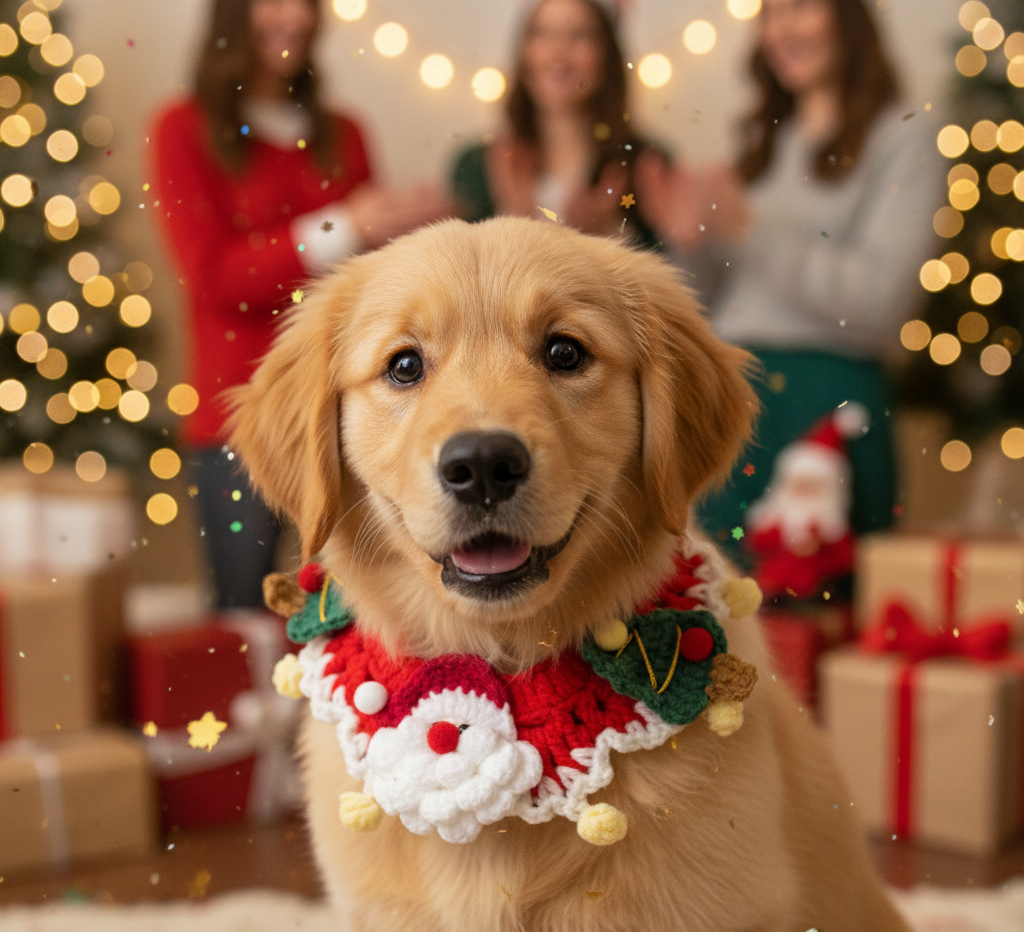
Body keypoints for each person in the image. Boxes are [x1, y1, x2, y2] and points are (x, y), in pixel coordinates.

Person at [150, 0, 447, 610]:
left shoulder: (345, 134)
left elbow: (372, 289)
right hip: (236, 420)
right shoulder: (183, 129)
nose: (298, 15)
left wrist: (412, 229)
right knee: (245, 610)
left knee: (362, 603)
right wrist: (345, 224)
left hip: (348, 413)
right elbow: (214, 275)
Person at [637, 0, 943, 564]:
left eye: (800, 7)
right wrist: (686, 241)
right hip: (734, 396)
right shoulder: (757, 144)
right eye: (771, 13)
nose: (782, 28)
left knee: (819, 615)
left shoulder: (904, 137)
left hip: (829, 405)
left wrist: (749, 229)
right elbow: (712, 302)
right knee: (720, 602)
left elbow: (880, 304)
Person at [451, 0, 666, 249]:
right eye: (541, 33)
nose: (557, 55)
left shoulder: (646, 165)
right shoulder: (475, 167)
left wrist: (607, 239)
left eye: (579, 35)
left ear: (608, 52)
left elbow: (679, 281)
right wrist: (517, 225)